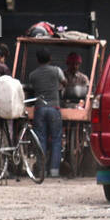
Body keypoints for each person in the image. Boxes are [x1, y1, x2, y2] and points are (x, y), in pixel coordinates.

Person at [27, 49, 65, 178]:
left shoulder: (33, 75)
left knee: (41, 139)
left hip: (39, 109)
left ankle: (42, 170)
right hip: (54, 108)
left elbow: (31, 87)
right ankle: (54, 171)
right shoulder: (57, 71)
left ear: (37, 60)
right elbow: (64, 82)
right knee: (56, 139)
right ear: (50, 58)